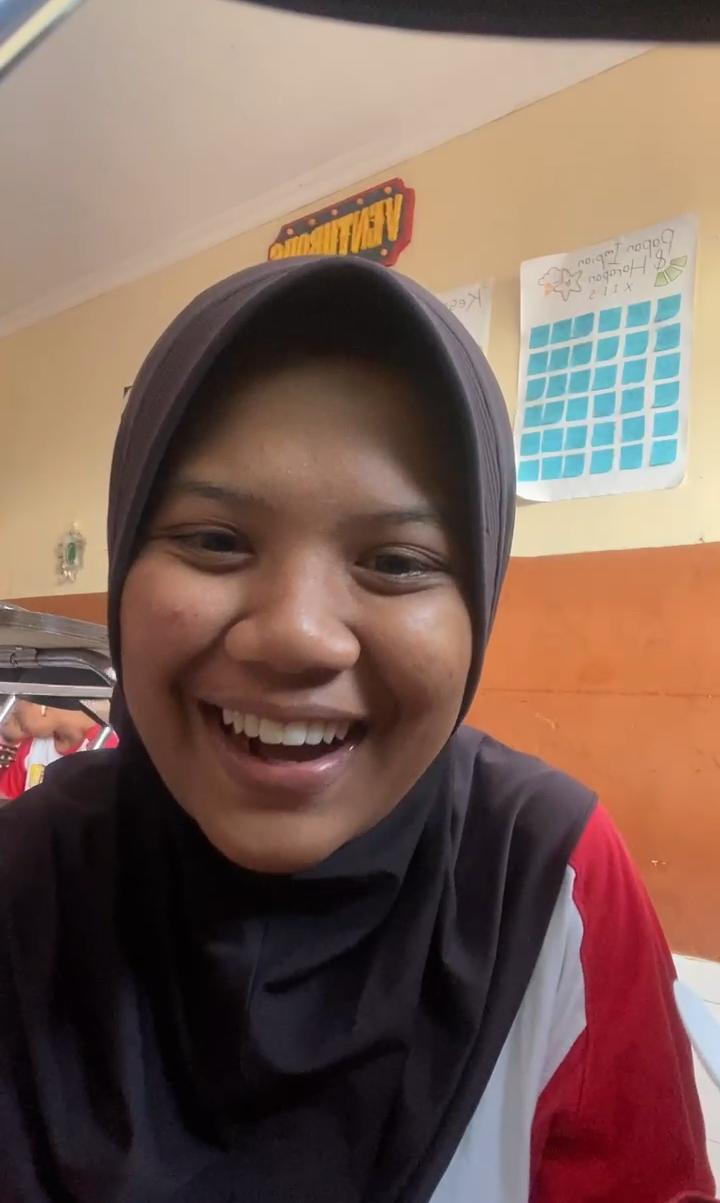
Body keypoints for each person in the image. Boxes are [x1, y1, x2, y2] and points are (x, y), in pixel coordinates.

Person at [0, 257, 712, 1203]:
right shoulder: (24, 878)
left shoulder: (549, 879)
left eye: (397, 560)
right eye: (215, 540)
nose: (297, 634)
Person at [0, 697, 118, 800]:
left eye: (17, 714)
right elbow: (8, 796)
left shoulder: (107, 748)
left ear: (42, 706)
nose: (15, 712)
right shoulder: (34, 745)